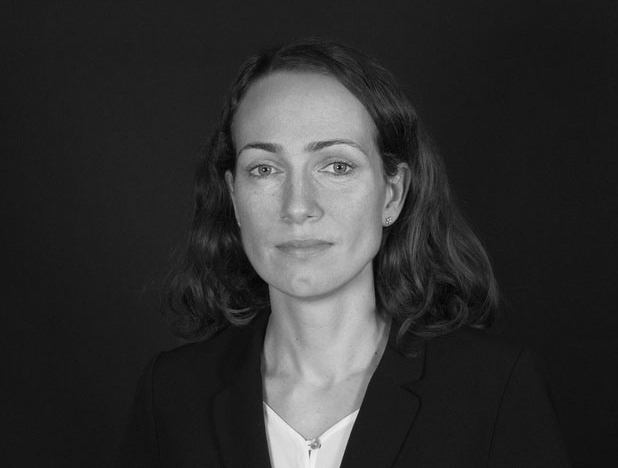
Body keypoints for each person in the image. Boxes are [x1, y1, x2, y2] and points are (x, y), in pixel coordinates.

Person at [119, 39, 571, 467]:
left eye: (337, 166)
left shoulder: (494, 389)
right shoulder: (172, 394)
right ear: (235, 197)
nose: (298, 207)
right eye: (265, 169)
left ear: (392, 194)